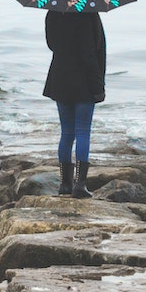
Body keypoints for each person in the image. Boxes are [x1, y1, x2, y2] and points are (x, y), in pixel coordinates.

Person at [42, 10, 106, 198]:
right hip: (84, 81)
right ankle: (80, 184)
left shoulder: (52, 13)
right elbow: (90, 53)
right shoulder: (88, 15)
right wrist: (98, 86)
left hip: (60, 77)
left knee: (67, 132)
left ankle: (64, 184)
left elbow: (51, 44)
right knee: (83, 131)